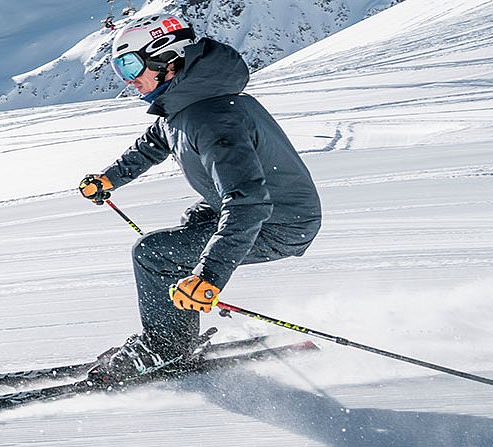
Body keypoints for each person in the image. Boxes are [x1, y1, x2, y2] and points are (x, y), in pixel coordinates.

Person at [77, 14, 322, 383]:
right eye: (118, 69)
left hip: (280, 223)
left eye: (130, 65)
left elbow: (249, 203)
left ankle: (166, 348)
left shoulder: (211, 118)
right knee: (192, 224)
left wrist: (210, 276)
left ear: (166, 59)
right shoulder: (186, 105)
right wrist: (109, 179)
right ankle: (176, 335)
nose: (128, 79)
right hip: (261, 210)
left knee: (154, 254)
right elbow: (153, 145)